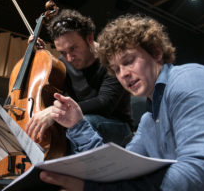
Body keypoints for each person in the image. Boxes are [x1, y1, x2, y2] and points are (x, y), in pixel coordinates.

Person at [39, 14, 204, 190]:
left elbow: (201, 172)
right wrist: (77, 125)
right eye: (116, 70)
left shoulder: (189, 79)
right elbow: (117, 169)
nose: (123, 74)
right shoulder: (148, 121)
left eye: (129, 61)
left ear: (156, 52)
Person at [26, 9, 133, 152]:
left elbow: (104, 103)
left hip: (117, 126)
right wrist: (41, 58)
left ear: (89, 38)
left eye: (73, 49)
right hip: (81, 120)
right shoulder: (63, 63)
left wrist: (55, 111)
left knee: (82, 123)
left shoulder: (111, 59)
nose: (69, 58)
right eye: (63, 52)